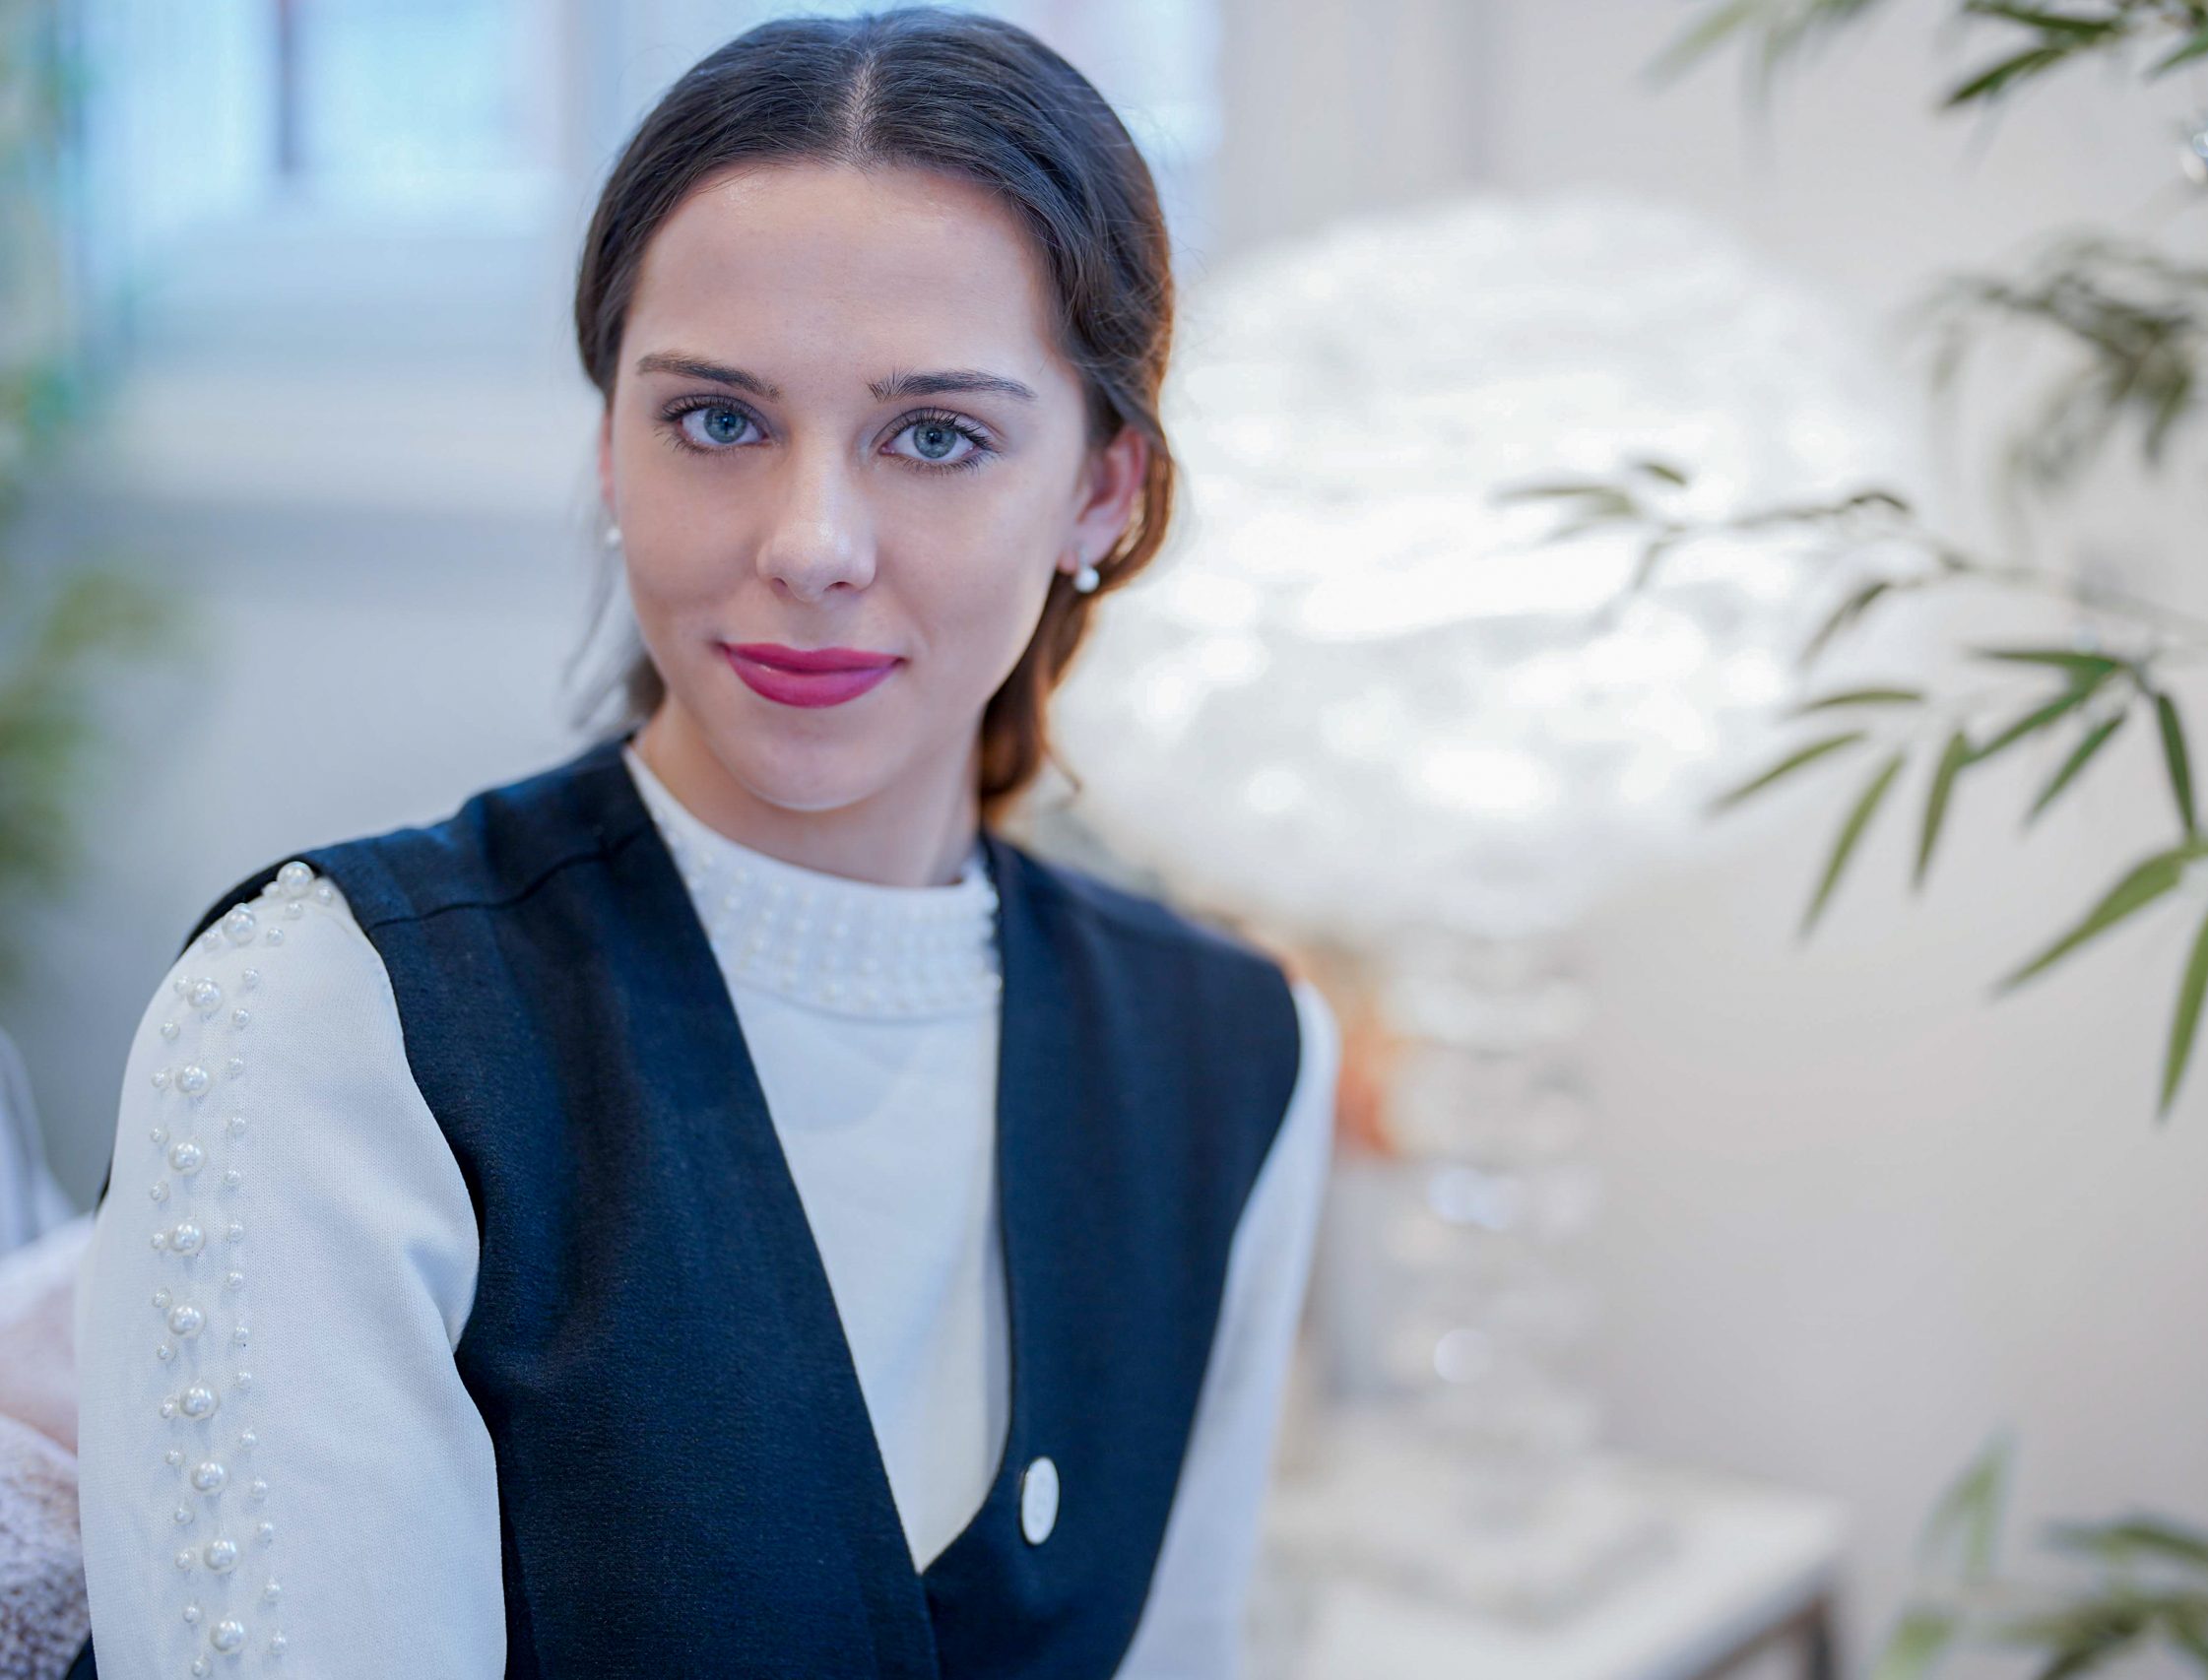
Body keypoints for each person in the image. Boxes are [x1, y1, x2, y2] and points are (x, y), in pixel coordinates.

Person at [69, 11, 1340, 1677]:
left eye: (937, 434)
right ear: (610, 445)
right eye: (720, 422)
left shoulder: (1233, 1052)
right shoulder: (326, 1019)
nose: (810, 543)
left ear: (1104, 491)